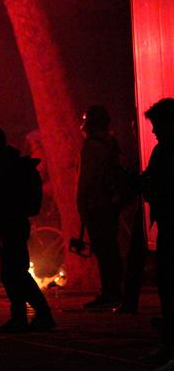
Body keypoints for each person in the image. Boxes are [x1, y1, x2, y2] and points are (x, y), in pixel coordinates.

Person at [0, 127, 54, 333]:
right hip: (12, 221)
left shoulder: (5, 165)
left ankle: (37, 315)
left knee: (15, 272)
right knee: (11, 272)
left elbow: (2, 194)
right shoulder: (9, 163)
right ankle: (21, 317)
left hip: (13, 221)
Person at [77, 105, 124, 309]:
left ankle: (109, 292)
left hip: (97, 203)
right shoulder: (111, 143)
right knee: (110, 247)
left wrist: (81, 202)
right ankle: (115, 290)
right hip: (111, 202)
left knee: (103, 249)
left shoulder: (91, 146)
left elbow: (86, 178)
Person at [143, 98, 174, 371]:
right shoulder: (160, 150)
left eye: (157, 125)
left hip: (172, 224)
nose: (153, 131)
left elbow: (156, 182)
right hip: (166, 223)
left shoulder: (167, 152)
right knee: (166, 284)